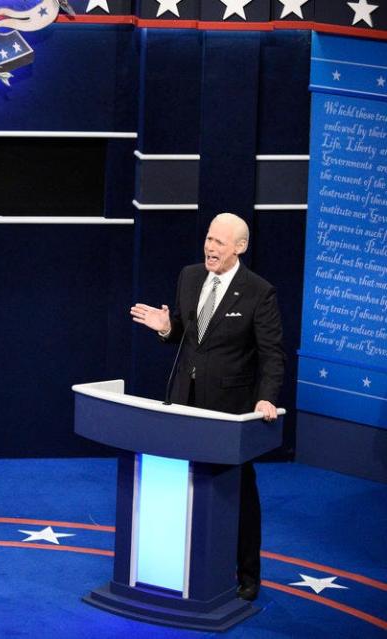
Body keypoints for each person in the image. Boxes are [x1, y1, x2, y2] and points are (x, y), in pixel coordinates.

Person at [129, 212, 284, 602]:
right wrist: (167, 327)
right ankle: (181, 565)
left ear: (240, 247)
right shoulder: (190, 276)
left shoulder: (258, 292)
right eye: (208, 239)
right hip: (184, 399)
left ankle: (248, 574)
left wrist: (267, 397)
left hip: (230, 410)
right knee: (184, 483)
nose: (210, 247)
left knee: (238, 492)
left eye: (219, 242)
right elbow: (187, 332)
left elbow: (272, 355)